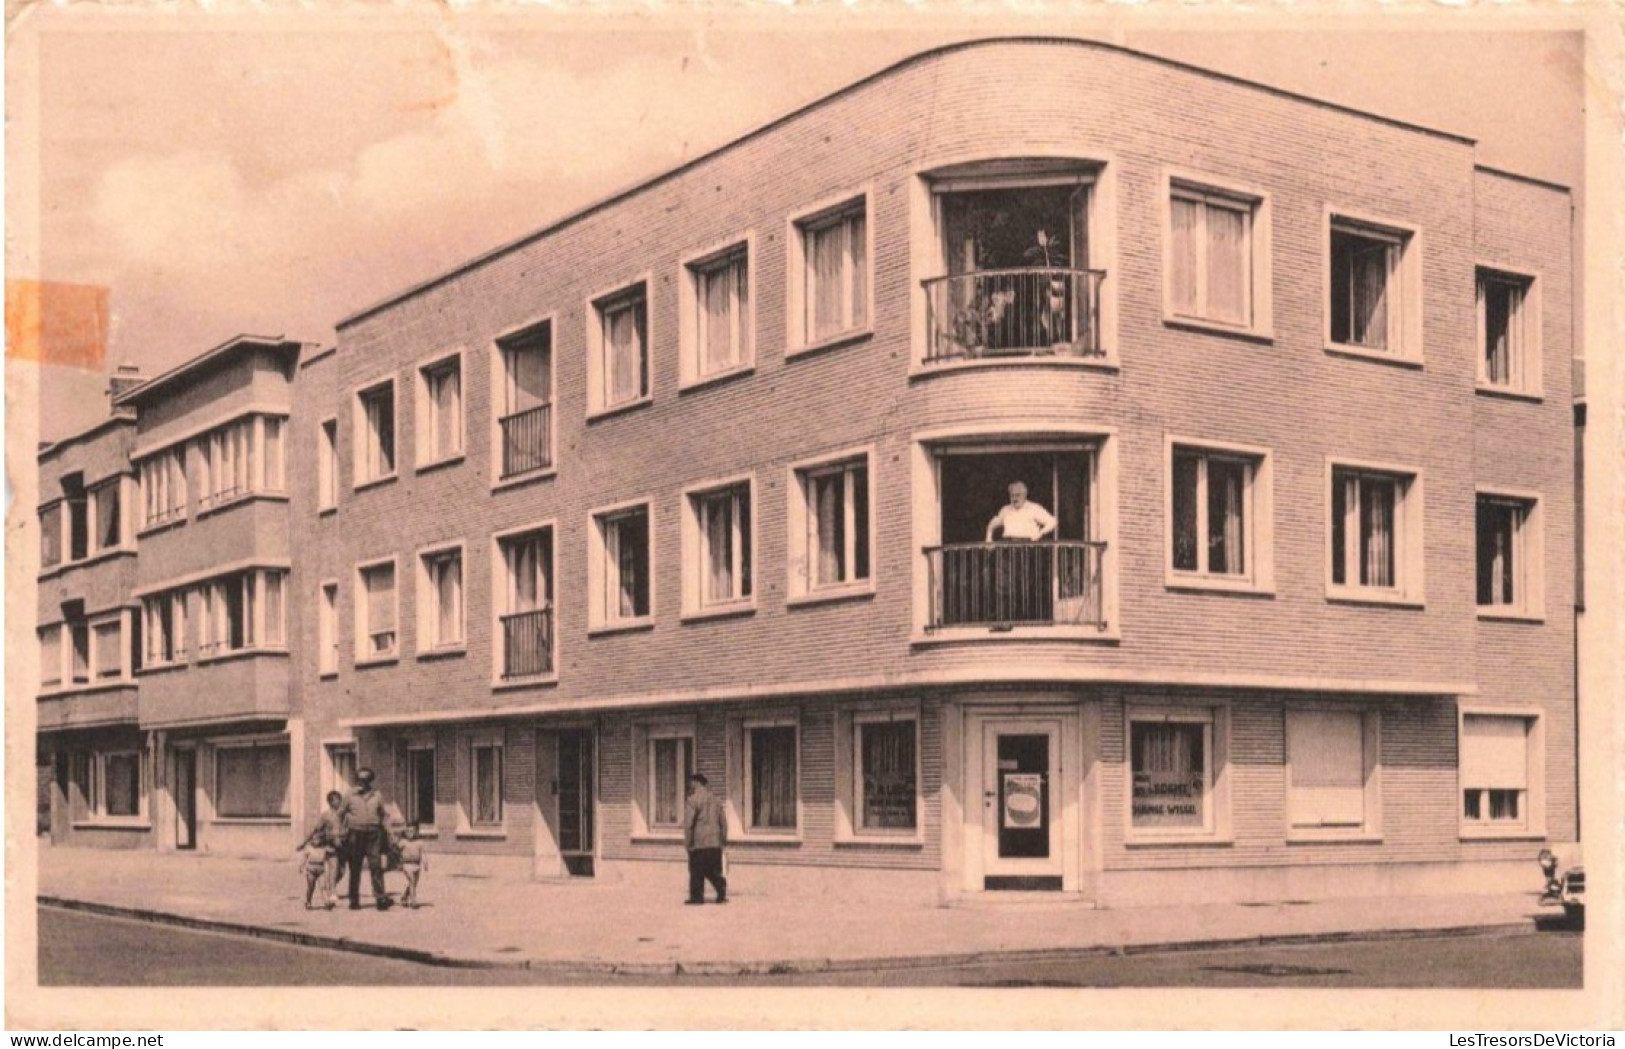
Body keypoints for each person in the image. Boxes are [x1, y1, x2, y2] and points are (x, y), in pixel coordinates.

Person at [340, 768, 392, 910]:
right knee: (355, 867)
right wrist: (341, 833)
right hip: (355, 834)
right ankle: (354, 900)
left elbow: (384, 814)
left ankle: (380, 898)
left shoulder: (377, 795)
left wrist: (389, 832)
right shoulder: (349, 795)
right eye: (359, 779)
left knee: (376, 866)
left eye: (365, 780)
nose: (362, 783)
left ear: (370, 781)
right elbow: (340, 814)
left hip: (374, 834)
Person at [683, 773, 728, 905]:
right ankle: (720, 889)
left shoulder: (692, 800)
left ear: (696, 783)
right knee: (712, 869)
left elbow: (688, 824)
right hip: (715, 841)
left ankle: (697, 898)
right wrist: (723, 840)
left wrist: (688, 843)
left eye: (692, 783)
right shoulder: (717, 800)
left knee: (696, 870)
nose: (691, 786)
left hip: (699, 841)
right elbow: (723, 823)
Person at [298, 790, 348, 904]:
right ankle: (332, 892)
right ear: (330, 802)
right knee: (333, 869)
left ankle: (331, 886)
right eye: (336, 800)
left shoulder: (343, 815)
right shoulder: (325, 816)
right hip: (330, 847)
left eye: (340, 800)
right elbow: (316, 830)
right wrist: (304, 842)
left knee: (342, 870)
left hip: (342, 845)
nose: (339, 802)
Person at [984, 481, 1057, 542]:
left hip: (1027, 544)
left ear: (1024, 495)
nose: (1015, 498)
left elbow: (1052, 522)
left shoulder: (1034, 508)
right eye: (1012, 495)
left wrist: (1040, 533)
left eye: (1018, 495)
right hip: (1008, 544)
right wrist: (988, 538)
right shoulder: (1005, 510)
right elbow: (992, 524)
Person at [299, 834, 336, 910]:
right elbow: (304, 858)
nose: (316, 841)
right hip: (311, 869)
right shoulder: (309, 848)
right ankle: (308, 901)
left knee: (323, 886)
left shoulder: (324, 848)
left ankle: (326, 902)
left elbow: (332, 852)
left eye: (318, 839)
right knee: (311, 887)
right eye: (315, 839)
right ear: (312, 840)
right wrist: (301, 866)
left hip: (321, 869)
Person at [396, 823, 427, 908]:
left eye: (412, 831)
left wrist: (425, 863)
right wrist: (398, 863)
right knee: (412, 880)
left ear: (416, 832)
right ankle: (414, 901)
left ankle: (404, 897)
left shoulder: (419, 842)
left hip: (416, 865)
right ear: (405, 832)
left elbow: (423, 854)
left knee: (413, 884)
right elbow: (396, 852)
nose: (410, 833)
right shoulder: (403, 842)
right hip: (406, 864)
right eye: (408, 831)